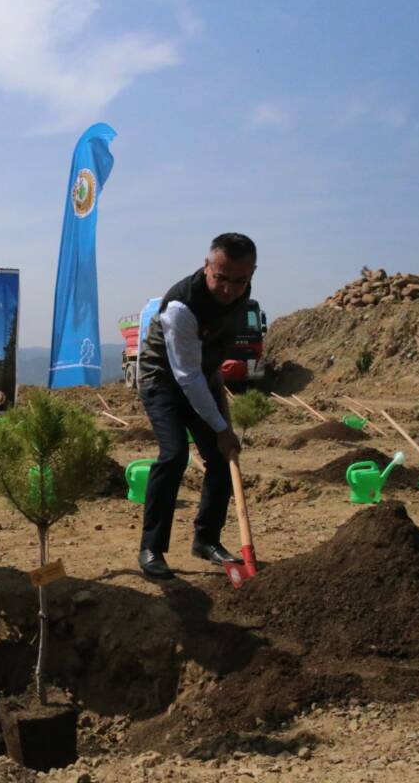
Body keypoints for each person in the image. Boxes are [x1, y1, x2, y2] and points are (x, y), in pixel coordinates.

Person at [135, 233, 258, 579]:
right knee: (173, 454)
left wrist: (224, 425)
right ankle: (151, 549)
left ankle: (206, 539)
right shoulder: (181, 307)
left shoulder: (240, 294)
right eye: (221, 277)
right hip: (162, 379)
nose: (229, 288)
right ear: (207, 266)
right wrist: (220, 427)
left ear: (251, 274)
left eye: (240, 280)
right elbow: (186, 376)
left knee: (222, 457)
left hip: (201, 377)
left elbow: (206, 365)